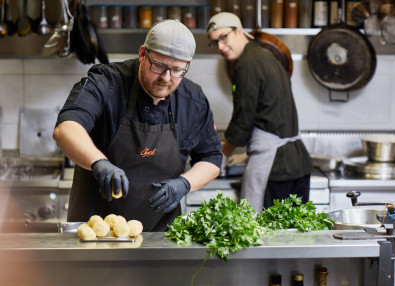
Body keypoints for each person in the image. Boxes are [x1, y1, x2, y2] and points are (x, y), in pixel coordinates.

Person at [53, 20, 222, 232]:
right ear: (143, 54)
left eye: (177, 70)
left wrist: (185, 184)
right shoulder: (106, 82)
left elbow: (212, 158)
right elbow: (66, 128)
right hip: (97, 232)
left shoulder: (193, 99)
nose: (166, 78)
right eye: (158, 65)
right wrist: (98, 163)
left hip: (162, 237)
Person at [207, 12, 313, 212]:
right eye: (214, 42)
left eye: (224, 37)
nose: (220, 47)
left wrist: (221, 154)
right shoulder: (266, 56)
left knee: (266, 238)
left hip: (275, 167)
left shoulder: (245, 65)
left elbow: (243, 119)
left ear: (239, 30)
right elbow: (270, 115)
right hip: (296, 163)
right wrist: (244, 155)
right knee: (293, 236)